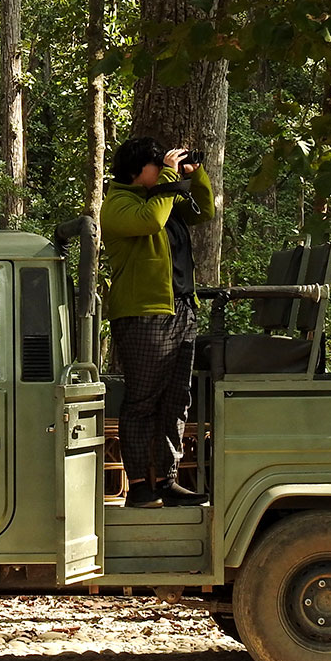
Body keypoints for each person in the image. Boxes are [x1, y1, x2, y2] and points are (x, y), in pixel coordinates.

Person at [100, 137, 216, 508]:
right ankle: (138, 485)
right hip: (143, 314)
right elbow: (149, 222)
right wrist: (168, 179)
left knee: (176, 400)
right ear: (138, 170)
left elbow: (205, 212)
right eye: (157, 164)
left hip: (181, 308)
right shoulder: (118, 204)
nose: (165, 169)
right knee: (142, 401)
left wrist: (195, 176)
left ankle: (167, 481)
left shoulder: (166, 200)